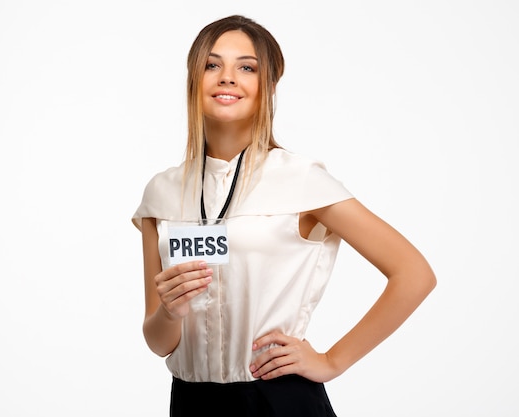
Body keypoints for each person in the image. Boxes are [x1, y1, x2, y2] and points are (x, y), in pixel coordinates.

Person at [131, 14, 436, 417]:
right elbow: (159, 343)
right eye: (212, 64)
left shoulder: (301, 180)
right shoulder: (162, 192)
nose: (227, 77)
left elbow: (414, 274)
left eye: (246, 67)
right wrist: (170, 312)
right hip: (191, 402)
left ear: (267, 87)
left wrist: (331, 361)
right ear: (193, 79)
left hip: (279, 399)